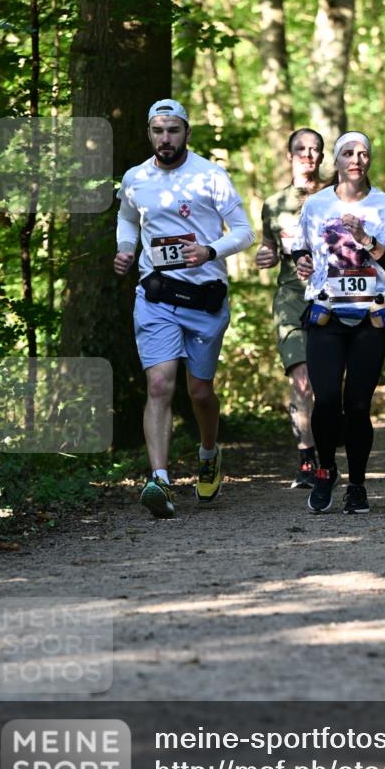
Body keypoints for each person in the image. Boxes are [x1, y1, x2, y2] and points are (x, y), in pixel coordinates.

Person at [114, 99, 255, 518]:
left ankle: (209, 453)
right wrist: (126, 248)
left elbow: (245, 232)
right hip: (156, 296)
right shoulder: (136, 178)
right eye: (158, 130)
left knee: (200, 392)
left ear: (187, 133)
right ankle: (160, 479)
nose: (165, 138)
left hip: (204, 299)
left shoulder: (211, 176)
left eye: (173, 130)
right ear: (149, 133)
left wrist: (210, 250)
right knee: (159, 384)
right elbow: (127, 219)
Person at [292, 131, 385, 515]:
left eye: (363, 153)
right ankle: (326, 469)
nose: (356, 160)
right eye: (348, 153)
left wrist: (366, 239)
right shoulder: (316, 205)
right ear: (336, 161)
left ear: (369, 161)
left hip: (371, 317)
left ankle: (357, 485)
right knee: (327, 399)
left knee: (358, 405)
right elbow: (301, 249)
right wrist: (302, 262)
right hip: (326, 313)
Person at [255, 130, 325, 488]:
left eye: (314, 150)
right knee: (302, 378)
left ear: (322, 156)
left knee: (329, 384)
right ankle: (307, 461)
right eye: (300, 149)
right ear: (289, 155)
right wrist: (264, 255)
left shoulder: (336, 196)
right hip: (291, 298)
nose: (307, 155)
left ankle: (328, 448)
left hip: (332, 296)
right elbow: (267, 247)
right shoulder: (273, 204)